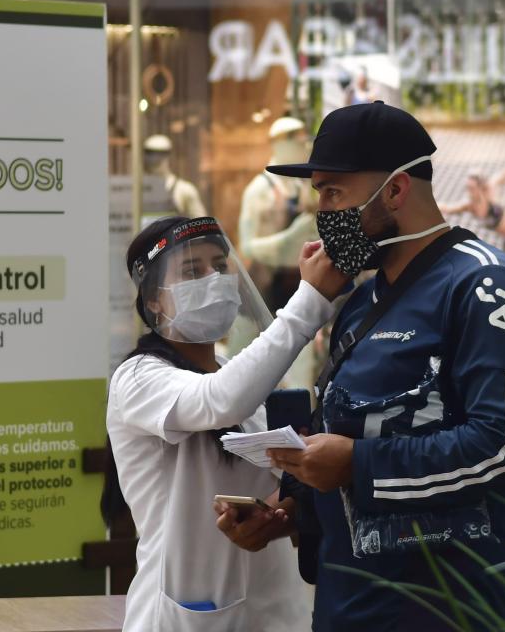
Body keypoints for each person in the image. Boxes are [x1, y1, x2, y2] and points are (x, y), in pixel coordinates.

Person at [216, 102, 505, 630]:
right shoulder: (360, 303)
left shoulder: (482, 287)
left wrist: (358, 465)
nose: (320, 212)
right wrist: (288, 510)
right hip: (348, 603)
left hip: (443, 608)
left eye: (333, 193)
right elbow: (353, 433)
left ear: (395, 190)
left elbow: (504, 448)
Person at [104, 215, 348, 631]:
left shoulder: (235, 373)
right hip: (187, 614)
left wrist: (282, 509)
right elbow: (220, 401)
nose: (213, 280)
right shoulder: (139, 378)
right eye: (192, 271)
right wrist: (308, 302)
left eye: (219, 266)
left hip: (274, 608)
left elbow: (269, 479)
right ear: (155, 302)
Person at [235, 117, 322, 393]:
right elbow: (248, 247)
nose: (303, 147)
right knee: (236, 367)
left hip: (293, 288)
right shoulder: (258, 190)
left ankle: (300, 431)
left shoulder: (301, 187)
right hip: (257, 291)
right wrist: (290, 238)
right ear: (279, 144)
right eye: (298, 141)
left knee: (301, 374)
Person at [143, 135, 208, 218]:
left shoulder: (184, 189)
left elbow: (201, 223)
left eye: (161, 154)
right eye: (149, 153)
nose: (154, 158)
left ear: (169, 156)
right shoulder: (136, 189)